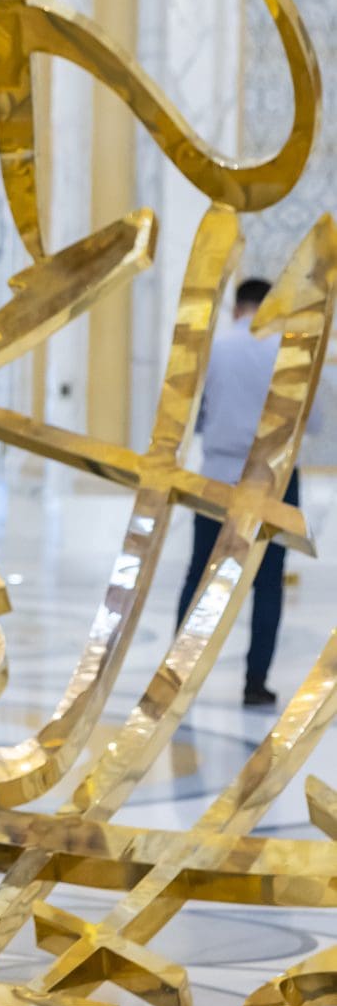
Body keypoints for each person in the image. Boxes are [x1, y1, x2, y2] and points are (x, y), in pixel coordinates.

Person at [177, 275, 297, 709]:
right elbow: (311, 420)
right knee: (267, 584)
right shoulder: (288, 349)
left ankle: (178, 679)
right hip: (274, 478)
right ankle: (255, 682)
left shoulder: (216, 347)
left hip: (218, 473)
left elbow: (196, 415)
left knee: (200, 575)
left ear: (237, 307)